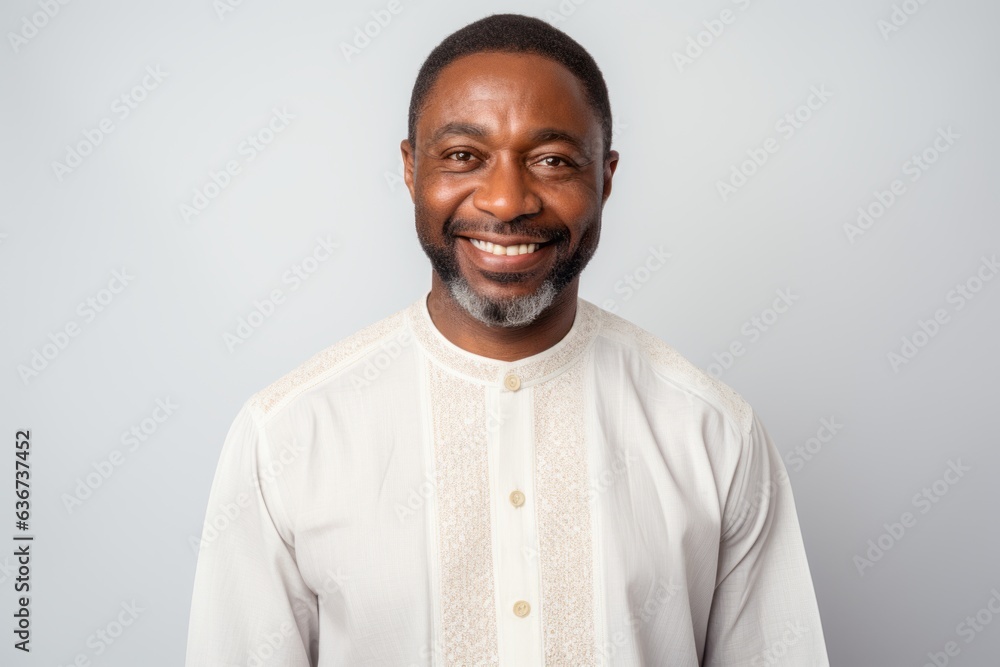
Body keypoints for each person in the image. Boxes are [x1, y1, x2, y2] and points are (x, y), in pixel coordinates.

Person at [185, 13, 830, 666]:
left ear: (605, 177)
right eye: (464, 156)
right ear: (411, 169)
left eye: (552, 160)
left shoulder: (712, 433)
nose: (505, 200)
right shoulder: (288, 435)